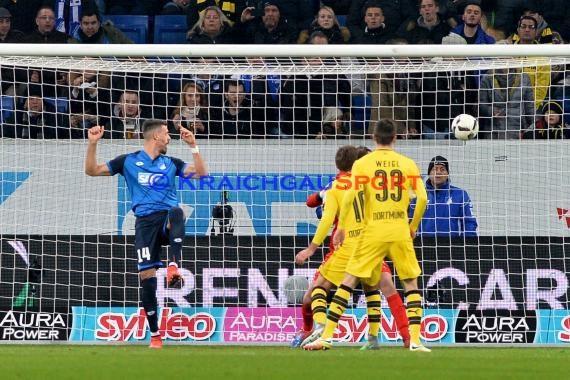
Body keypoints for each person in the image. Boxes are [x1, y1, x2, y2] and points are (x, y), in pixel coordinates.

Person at [303, 119, 430, 352]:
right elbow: (422, 199)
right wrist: (412, 226)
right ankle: (415, 341)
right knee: (409, 283)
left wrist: (341, 228)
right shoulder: (408, 164)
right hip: (400, 228)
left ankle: (327, 336)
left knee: (349, 280)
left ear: (374, 137)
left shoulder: (363, 164)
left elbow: (351, 196)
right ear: (395, 137)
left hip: (373, 231)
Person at [84, 120, 208, 348]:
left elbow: (201, 174)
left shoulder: (171, 163)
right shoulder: (128, 161)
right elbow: (92, 171)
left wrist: (194, 146)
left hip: (166, 221)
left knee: (177, 212)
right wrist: (92, 144)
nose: (170, 138)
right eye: (166, 134)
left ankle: (174, 265)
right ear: (155, 138)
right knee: (147, 280)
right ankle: (156, 336)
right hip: (144, 225)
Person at [293, 145, 411, 349]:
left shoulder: (336, 187)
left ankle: (319, 329)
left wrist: (311, 249)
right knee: (380, 287)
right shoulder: (374, 186)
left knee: (316, 291)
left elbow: (316, 208)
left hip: (344, 248)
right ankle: (401, 337)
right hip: (373, 244)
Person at [410, 156, 478, 237]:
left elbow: (469, 222)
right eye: (435, 169)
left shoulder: (460, 194)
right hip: (424, 246)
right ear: (429, 173)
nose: (438, 172)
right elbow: (409, 222)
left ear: (447, 174)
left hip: (451, 246)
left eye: (442, 169)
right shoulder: (418, 195)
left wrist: (467, 246)